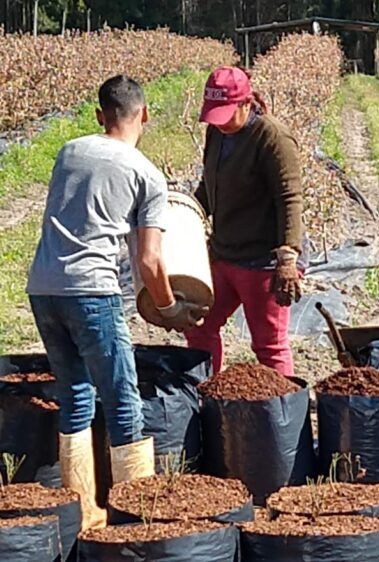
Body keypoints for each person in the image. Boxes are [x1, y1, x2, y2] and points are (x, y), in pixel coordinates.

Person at [26, 75, 204, 530]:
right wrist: (169, 310)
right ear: (144, 114)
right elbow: (148, 260)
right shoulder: (146, 174)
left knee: (75, 396)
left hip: (44, 289)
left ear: (100, 115)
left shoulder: (69, 151)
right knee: (123, 402)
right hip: (92, 293)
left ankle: (83, 515)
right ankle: (137, 522)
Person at [186, 66, 304, 377]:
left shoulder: (272, 137)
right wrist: (187, 211)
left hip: (261, 263)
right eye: (214, 114)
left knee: (268, 345)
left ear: (246, 104)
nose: (219, 122)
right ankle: (205, 396)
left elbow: (290, 198)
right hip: (224, 256)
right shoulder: (216, 131)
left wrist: (288, 257)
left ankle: (281, 417)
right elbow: (209, 187)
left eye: (226, 114)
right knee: (199, 325)